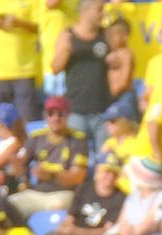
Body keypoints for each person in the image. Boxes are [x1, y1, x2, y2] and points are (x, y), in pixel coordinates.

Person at [8, 96, 89, 218]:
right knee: (7, 205)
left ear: (68, 116)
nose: (56, 118)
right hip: (36, 192)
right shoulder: (36, 137)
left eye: (60, 114)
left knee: (57, 207)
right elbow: (19, 167)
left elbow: (78, 177)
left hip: (63, 193)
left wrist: (51, 175)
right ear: (45, 116)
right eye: (51, 113)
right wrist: (16, 163)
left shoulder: (78, 140)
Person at [50, 0, 111, 152]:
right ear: (86, 11)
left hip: (103, 110)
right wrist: (65, 51)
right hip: (76, 110)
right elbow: (55, 68)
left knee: (104, 160)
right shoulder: (67, 35)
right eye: (99, 9)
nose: (103, 14)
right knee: (78, 159)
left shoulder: (106, 34)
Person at [62, 162, 126, 235]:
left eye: (114, 173)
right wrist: (65, 227)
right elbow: (70, 217)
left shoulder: (120, 198)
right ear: (98, 171)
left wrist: (78, 231)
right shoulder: (84, 188)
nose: (110, 176)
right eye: (107, 172)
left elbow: (107, 231)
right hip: (73, 233)